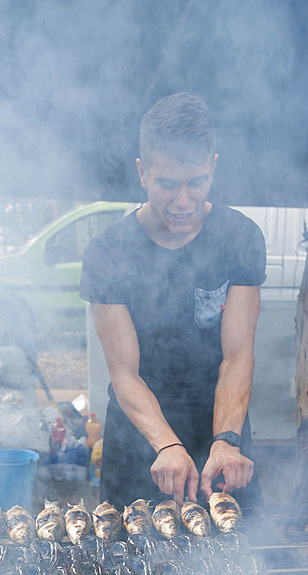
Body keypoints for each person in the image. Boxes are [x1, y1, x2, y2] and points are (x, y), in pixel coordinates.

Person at [79, 92, 266, 511]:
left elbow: (237, 355)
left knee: (236, 562)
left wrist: (227, 441)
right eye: (167, 184)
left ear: (213, 167)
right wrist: (167, 446)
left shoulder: (241, 237)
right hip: (141, 438)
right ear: (143, 173)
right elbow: (124, 373)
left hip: (221, 427)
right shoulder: (107, 253)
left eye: (196, 182)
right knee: (131, 566)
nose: (183, 201)